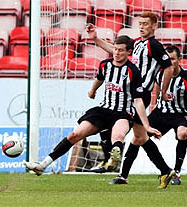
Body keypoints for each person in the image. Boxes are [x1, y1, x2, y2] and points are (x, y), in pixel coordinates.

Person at [24, 36, 174, 187]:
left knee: (119, 136)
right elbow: (99, 78)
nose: (116, 53)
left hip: (123, 112)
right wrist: (92, 90)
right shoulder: (105, 65)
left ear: (129, 52)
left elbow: (138, 101)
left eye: (121, 50)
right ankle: (43, 165)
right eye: (115, 49)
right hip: (103, 109)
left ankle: (116, 159)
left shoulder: (133, 71)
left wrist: (147, 125)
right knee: (75, 134)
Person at [87, 12, 175, 184]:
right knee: (140, 137)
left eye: (146, 24)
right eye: (140, 24)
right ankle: (163, 171)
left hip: (140, 95)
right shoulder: (137, 43)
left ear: (154, 26)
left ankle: (109, 162)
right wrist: (96, 40)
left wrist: (163, 91)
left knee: (112, 121)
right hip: (130, 93)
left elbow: (169, 68)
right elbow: (115, 50)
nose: (142, 27)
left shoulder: (154, 45)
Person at [109, 46, 187, 186]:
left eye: (173, 59)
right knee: (138, 137)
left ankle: (176, 173)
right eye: (168, 59)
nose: (170, 62)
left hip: (181, 114)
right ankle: (123, 176)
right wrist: (151, 109)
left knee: (182, 133)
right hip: (161, 112)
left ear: (179, 60)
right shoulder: (159, 73)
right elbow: (154, 90)